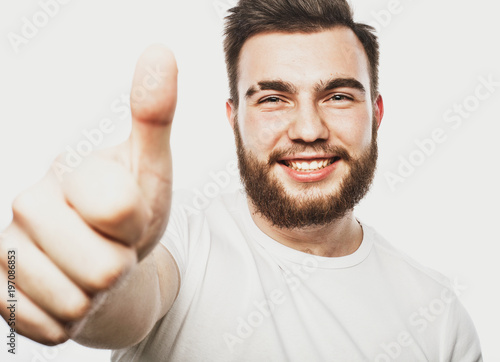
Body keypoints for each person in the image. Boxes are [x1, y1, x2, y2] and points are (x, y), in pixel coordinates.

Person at [0, 0, 482, 361]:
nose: (309, 129)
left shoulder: (439, 318)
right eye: (273, 98)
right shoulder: (181, 235)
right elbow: (131, 295)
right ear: (235, 119)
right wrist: (85, 285)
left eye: (337, 96)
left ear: (375, 113)